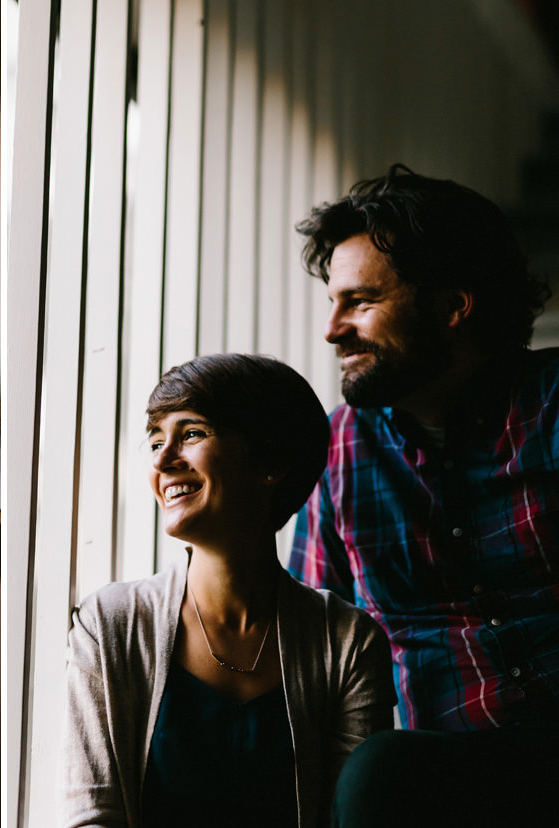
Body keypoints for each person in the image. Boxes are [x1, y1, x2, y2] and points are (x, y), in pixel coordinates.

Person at [289, 166, 559, 826]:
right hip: (449, 773)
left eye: (360, 301)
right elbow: (316, 645)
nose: (332, 329)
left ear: (451, 307)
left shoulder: (551, 405)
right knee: (379, 774)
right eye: (332, 302)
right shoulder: (337, 451)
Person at [66, 353, 394, 828]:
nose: (162, 459)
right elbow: (90, 817)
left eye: (192, 434)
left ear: (270, 461)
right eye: (156, 440)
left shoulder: (348, 641)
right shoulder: (110, 624)